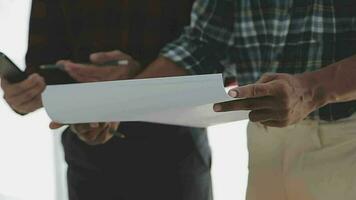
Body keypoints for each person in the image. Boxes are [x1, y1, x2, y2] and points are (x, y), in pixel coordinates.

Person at [127, 0, 356, 199]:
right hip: (265, 138)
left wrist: (310, 90)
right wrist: (123, 101)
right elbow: (203, 44)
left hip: (347, 143)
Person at [0, 0, 213, 200]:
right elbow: (44, 68)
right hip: (89, 152)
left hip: (174, 152)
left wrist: (134, 83)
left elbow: (211, 54)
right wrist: (24, 93)